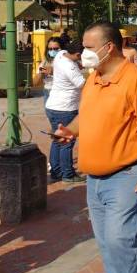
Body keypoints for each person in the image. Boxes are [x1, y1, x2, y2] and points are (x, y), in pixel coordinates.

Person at [54, 21, 137, 273]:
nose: (83, 53)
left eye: (89, 47)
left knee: (121, 240)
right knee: (106, 243)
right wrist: (70, 130)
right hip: (94, 178)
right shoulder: (94, 78)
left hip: (127, 174)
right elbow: (85, 116)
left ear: (109, 47)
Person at [45, 41, 86, 183]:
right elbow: (83, 85)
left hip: (53, 105)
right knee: (67, 141)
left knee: (58, 140)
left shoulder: (61, 54)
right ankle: (68, 174)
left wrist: (79, 64)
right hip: (65, 109)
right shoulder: (70, 67)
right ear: (78, 54)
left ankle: (56, 172)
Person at [34, 36, 62, 104]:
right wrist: (41, 73)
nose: (52, 51)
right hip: (48, 92)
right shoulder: (45, 62)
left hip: (61, 92)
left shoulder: (66, 62)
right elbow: (35, 83)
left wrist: (53, 71)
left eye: (56, 49)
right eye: (50, 49)